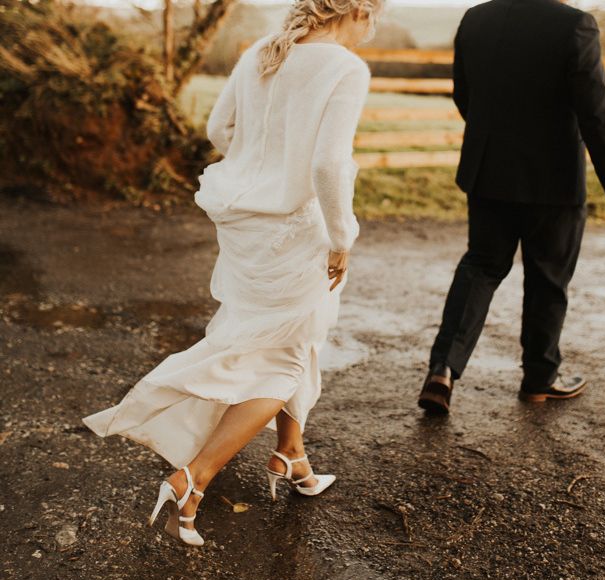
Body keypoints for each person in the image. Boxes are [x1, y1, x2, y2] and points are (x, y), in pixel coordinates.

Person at [82, 0, 382, 546]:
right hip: (297, 225)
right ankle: (192, 479)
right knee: (284, 360)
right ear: (355, 10)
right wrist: (342, 237)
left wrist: (258, 166)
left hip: (245, 224)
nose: (373, 28)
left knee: (293, 333)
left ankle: (292, 455)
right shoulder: (343, 67)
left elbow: (220, 128)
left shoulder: (262, 54)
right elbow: (326, 165)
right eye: (373, 16)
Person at [417, 0, 605, 415]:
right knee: (548, 277)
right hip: (553, 180)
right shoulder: (576, 25)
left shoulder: (476, 17)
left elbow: (464, 94)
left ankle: (442, 370)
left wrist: (496, 139)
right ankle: (539, 380)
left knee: (480, 266)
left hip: (488, 172)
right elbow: (596, 109)